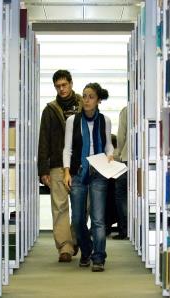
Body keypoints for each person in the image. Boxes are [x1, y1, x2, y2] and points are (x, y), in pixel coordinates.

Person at [63, 83, 113, 272]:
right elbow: (67, 148)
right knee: (77, 219)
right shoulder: (72, 121)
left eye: (91, 96)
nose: (86, 100)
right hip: (78, 172)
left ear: (99, 100)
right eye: (84, 96)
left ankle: (98, 257)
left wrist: (110, 154)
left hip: (99, 171)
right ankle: (86, 250)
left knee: (98, 219)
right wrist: (66, 171)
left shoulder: (105, 121)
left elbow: (108, 145)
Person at [38, 69, 82, 263]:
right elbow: (43, 140)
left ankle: (74, 240)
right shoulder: (49, 110)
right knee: (60, 206)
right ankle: (64, 247)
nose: (62, 89)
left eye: (64, 85)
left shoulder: (84, 104)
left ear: (71, 83)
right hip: (56, 164)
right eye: (58, 86)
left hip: (81, 164)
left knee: (82, 207)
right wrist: (43, 170)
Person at [113, 106, 128, 240]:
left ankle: (124, 230)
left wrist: (119, 153)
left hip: (127, 158)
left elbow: (121, 136)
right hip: (144, 160)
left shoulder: (126, 111)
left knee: (121, 194)